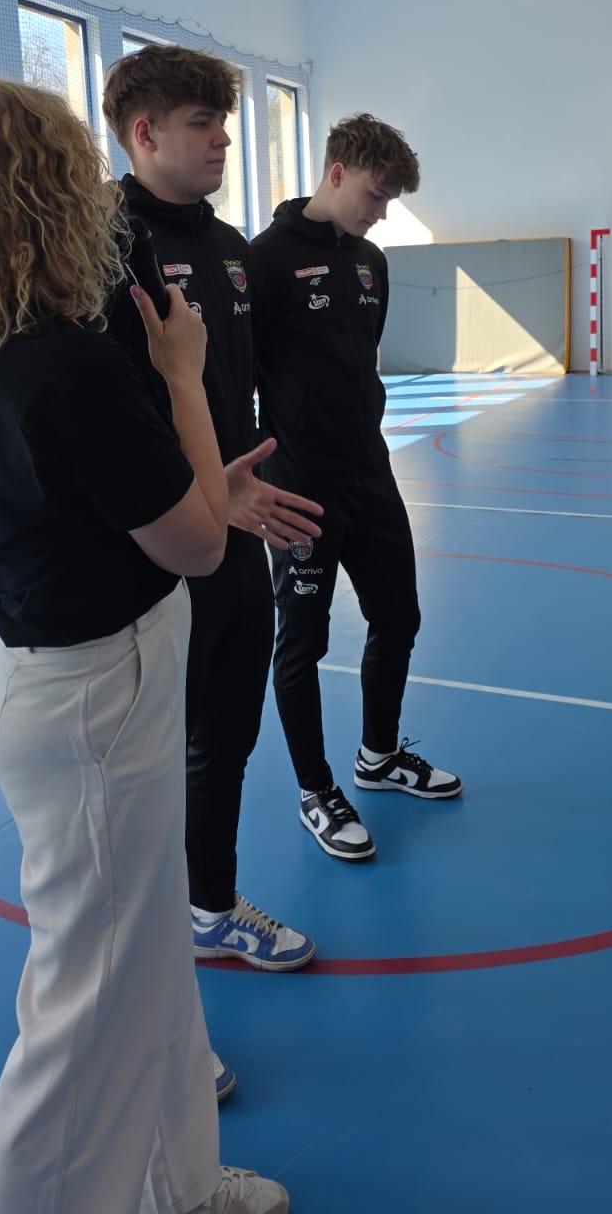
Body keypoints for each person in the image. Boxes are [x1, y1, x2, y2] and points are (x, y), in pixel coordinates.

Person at [0, 75, 288, 1214]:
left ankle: (182, 1186)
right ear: (52, 193)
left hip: (84, 688)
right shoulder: (65, 363)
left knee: (150, 966)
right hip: (91, 704)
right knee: (84, 1013)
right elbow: (199, 544)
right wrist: (183, 377)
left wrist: (206, 488)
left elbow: (138, 510)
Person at [102, 43, 321, 982]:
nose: (223, 139)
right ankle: (141, 939)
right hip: (158, 542)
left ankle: (211, 908)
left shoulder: (232, 248)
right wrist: (192, 499)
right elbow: (103, 414)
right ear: (144, 133)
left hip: (237, 531)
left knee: (227, 733)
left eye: (223, 123)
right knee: (150, 753)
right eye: (202, 123)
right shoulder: (102, 245)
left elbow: (240, 385)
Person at [248, 113, 461, 862]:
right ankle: (316, 789)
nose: (381, 212)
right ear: (336, 173)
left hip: (370, 472)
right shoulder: (265, 260)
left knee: (399, 615)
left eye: (390, 200)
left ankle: (378, 756)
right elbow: (241, 378)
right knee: (302, 640)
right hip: (298, 486)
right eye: (375, 195)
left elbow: (359, 361)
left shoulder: (373, 262)